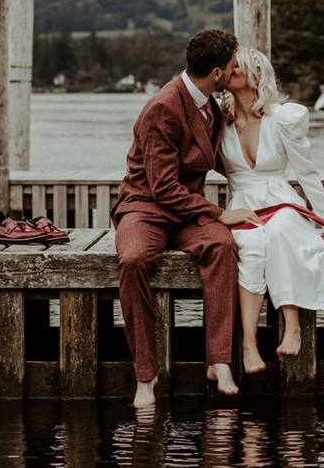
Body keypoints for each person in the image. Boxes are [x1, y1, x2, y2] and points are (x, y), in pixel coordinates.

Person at [111, 29, 261, 408]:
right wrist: (220, 212)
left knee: (222, 245)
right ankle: (145, 376)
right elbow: (161, 187)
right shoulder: (163, 107)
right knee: (132, 260)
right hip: (146, 207)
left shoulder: (212, 103)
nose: (234, 71)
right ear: (215, 72)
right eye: (231, 66)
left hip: (186, 210)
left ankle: (219, 361)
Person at [217, 47, 324, 374]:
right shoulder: (220, 120)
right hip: (242, 204)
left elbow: (307, 173)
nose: (229, 71)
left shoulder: (283, 118)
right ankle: (249, 343)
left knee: (278, 233)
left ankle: (292, 325)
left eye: (237, 67)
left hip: (281, 201)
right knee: (250, 249)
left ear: (256, 76)